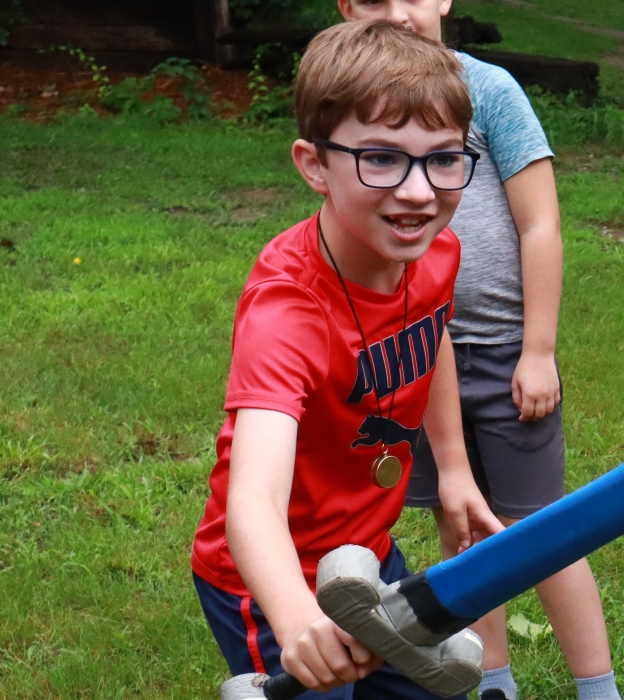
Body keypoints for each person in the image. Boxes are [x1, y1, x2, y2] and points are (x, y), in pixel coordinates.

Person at [189, 20, 502, 698]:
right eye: (381, 158)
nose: (419, 191)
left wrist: (453, 470)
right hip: (272, 575)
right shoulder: (287, 311)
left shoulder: (431, 252)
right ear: (314, 165)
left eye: (443, 158)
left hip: (368, 552)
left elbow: (433, 334)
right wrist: (295, 613)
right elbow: (252, 501)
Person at [333, 3, 620, 699]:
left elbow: (540, 222)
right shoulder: (354, 109)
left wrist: (539, 350)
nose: (399, 13)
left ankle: (599, 687)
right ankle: (492, 681)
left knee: (541, 531)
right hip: (418, 357)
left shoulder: (486, 91)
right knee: (460, 526)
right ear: (346, 9)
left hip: (503, 354)